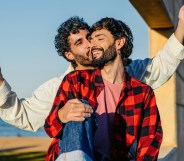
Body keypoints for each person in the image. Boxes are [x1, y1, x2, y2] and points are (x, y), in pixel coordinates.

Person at [45, 17, 163, 161]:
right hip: (76, 155)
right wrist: (61, 115)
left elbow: (149, 144)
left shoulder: (143, 93)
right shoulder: (75, 80)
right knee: (80, 107)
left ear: (119, 42)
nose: (92, 45)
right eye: (91, 40)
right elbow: (50, 128)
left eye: (99, 39)